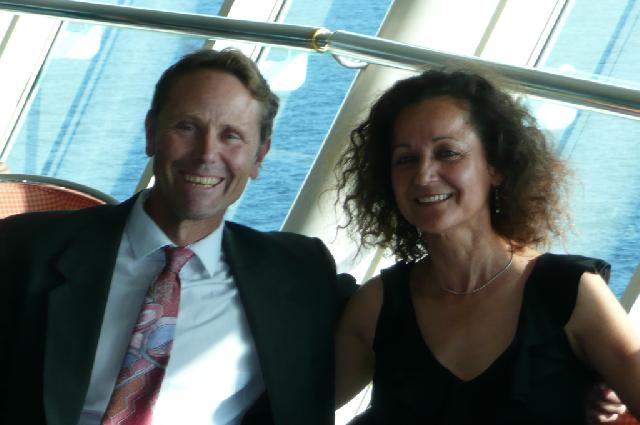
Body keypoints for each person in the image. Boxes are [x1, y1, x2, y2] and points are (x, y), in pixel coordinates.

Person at [0, 48, 354, 425]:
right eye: (187, 127)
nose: (206, 154)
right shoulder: (26, 247)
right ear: (151, 133)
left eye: (231, 136)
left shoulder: (297, 272)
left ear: (259, 156)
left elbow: (388, 314)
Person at [334, 67, 640, 423]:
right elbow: (297, 405)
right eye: (405, 159)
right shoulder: (378, 305)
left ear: (495, 167)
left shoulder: (569, 293)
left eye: (448, 153)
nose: (423, 174)